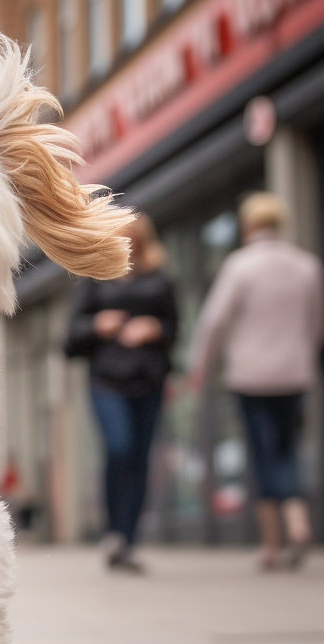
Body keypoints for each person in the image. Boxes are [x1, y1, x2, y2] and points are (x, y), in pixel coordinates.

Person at [188, 192, 324, 570]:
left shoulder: (239, 266)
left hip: (250, 375)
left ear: (249, 225)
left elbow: (214, 321)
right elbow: (317, 325)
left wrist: (199, 366)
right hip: (295, 374)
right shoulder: (307, 266)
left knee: (262, 454)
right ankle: (296, 520)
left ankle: (272, 546)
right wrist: (303, 353)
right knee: (288, 449)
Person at [65, 214, 178, 573]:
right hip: (106, 381)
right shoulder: (95, 279)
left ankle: (127, 541)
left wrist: (155, 328)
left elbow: (177, 330)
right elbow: (69, 339)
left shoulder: (159, 282)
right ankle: (113, 530)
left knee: (140, 458)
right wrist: (98, 325)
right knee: (119, 447)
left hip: (148, 381)